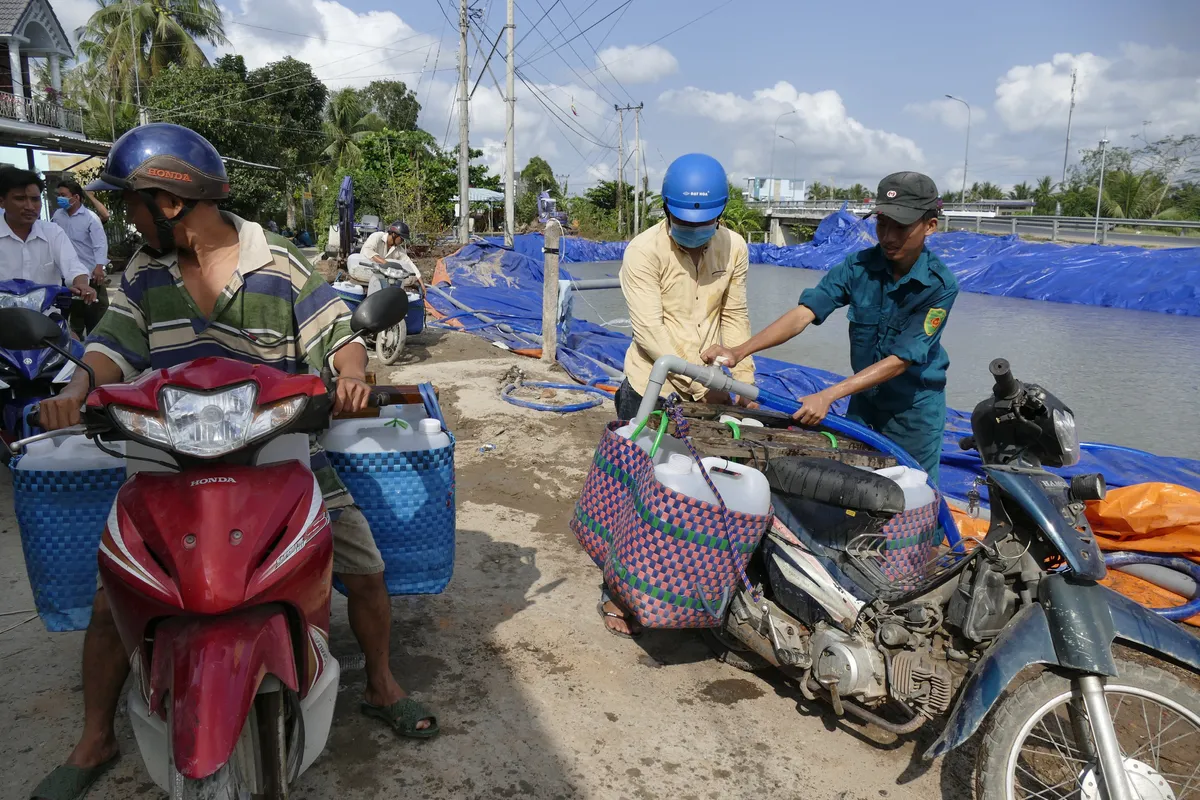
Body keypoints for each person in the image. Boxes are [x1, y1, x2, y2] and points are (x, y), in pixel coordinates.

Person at [30, 123, 437, 800]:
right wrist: (74, 393)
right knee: (114, 598)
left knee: (363, 568)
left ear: (169, 201)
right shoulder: (144, 272)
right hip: (165, 460)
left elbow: (337, 334)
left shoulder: (277, 259)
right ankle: (96, 733)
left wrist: (353, 377)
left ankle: (383, 681)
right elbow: (110, 344)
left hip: (278, 451)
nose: (122, 215)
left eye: (130, 201)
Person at [703, 171, 958, 484]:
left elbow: (901, 360)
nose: (888, 236)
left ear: (930, 226)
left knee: (915, 494)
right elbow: (804, 313)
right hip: (865, 401)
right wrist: (739, 351)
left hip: (913, 411)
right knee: (856, 483)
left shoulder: (938, 285)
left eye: (901, 227)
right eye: (881, 223)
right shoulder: (858, 267)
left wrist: (827, 395)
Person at [600, 153, 755, 638]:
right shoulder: (643, 252)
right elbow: (650, 332)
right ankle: (618, 594)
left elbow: (736, 318)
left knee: (697, 496)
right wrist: (704, 381)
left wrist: (743, 376)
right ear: (665, 211)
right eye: (683, 222)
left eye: (704, 223)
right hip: (652, 386)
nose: (693, 231)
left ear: (720, 215)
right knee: (636, 496)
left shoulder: (735, 248)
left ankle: (684, 590)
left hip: (711, 388)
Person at [0, 166, 96, 305]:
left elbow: (73, 267)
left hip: (45, 319)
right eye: (20, 199)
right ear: (2, 201)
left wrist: (82, 284)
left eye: (35, 199)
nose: (30, 206)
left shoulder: (53, 232)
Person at [53, 178, 110, 335]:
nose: (59, 198)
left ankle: (97, 346)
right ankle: (74, 346)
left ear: (76, 197)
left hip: (90, 273)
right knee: (72, 313)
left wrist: (99, 267)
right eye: (58, 195)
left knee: (95, 314)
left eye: (63, 195)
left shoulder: (91, 218)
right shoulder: (58, 215)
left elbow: (100, 244)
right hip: (66, 274)